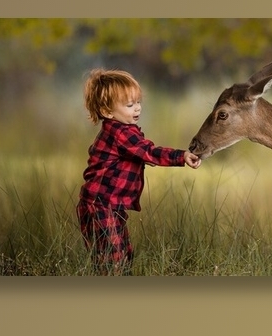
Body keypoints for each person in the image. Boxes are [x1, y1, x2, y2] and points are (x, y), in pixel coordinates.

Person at [77, 69, 201, 274]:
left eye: (138, 102)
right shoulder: (120, 133)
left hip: (110, 205)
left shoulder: (124, 131)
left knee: (123, 254)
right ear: (107, 111)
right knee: (113, 258)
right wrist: (182, 156)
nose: (137, 108)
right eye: (129, 105)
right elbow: (149, 151)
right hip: (100, 205)